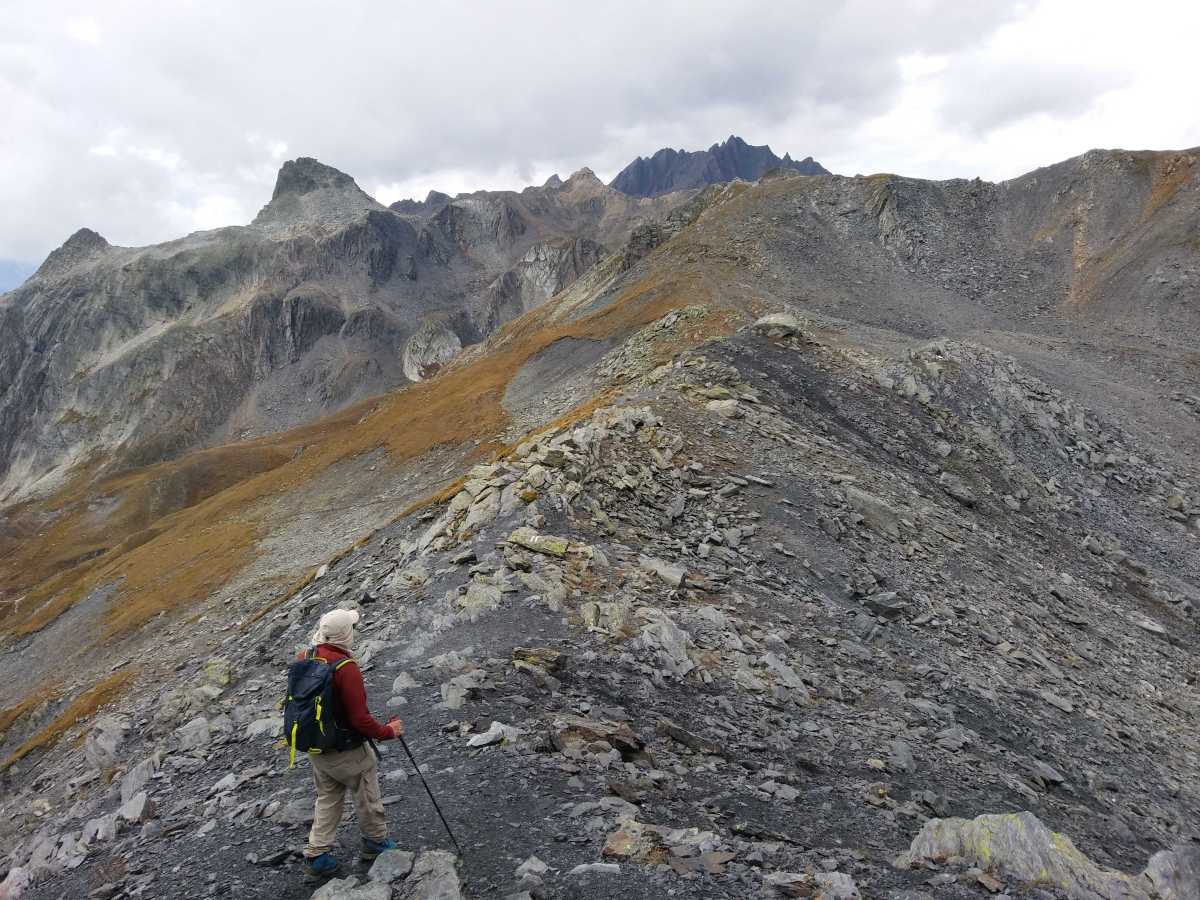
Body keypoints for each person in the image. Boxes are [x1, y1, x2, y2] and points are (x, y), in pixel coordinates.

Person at [299, 608, 404, 878]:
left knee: (328, 797)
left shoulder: (305, 657)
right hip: (346, 749)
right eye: (352, 629)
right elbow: (360, 719)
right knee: (367, 793)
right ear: (345, 634)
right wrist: (388, 731)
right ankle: (375, 841)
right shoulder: (345, 668)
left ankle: (317, 854)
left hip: (316, 748)